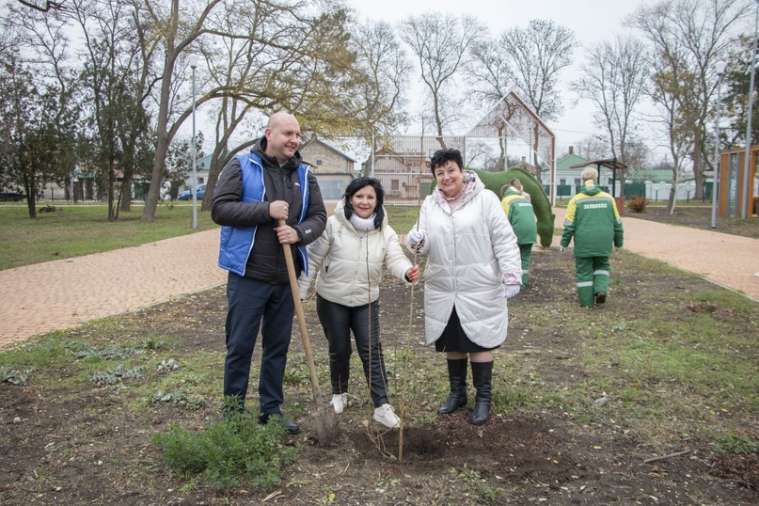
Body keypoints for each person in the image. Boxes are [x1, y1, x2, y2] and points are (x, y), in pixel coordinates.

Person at [211, 112, 327, 434]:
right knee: (240, 345)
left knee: (277, 346)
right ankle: (233, 413)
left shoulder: (305, 175)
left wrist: (299, 233)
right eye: (288, 133)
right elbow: (220, 209)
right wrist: (267, 211)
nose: (294, 140)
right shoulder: (241, 167)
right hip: (248, 274)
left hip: (285, 278)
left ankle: (271, 409)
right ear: (269, 134)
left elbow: (318, 217)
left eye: (298, 135)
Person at [406, 148, 522, 426]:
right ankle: (457, 394)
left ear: (462, 171)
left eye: (451, 171)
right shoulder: (429, 205)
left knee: (480, 341)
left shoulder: (485, 200)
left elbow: (504, 239)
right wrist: (416, 240)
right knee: (453, 341)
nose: (446, 177)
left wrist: (511, 274)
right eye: (440, 173)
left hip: (479, 285)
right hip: (444, 286)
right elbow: (424, 246)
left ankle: (483, 398)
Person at [299, 177, 419, 429]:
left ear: (378, 202)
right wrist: (301, 293)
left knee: (371, 349)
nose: (364, 202)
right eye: (359, 196)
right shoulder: (333, 225)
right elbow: (313, 260)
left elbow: (395, 258)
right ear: (350, 198)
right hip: (332, 298)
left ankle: (382, 405)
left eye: (370, 197)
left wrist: (407, 271)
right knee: (339, 348)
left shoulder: (384, 231)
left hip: (366, 299)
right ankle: (339, 394)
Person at [560, 167, 624, 308]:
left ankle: (586, 303)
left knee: (584, 271)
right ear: (596, 179)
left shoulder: (575, 200)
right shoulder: (608, 198)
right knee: (602, 266)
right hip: (604, 241)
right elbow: (618, 223)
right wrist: (618, 243)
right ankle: (600, 290)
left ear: (583, 181)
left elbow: (569, 225)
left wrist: (564, 243)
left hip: (584, 242)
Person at [500, 179, 537, 287]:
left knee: (512, 258)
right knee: (524, 258)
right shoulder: (524, 199)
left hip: (517, 233)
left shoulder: (506, 200)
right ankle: (523, 282)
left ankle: (512, 282)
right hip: (531, 232)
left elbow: (503, 221)